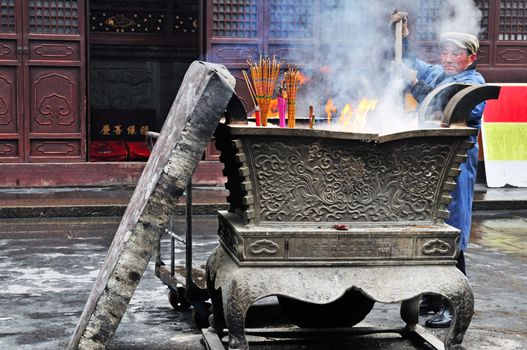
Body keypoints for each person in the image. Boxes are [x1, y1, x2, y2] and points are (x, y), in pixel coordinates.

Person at [390, 11, 485, 328]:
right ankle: (433, 295)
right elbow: (416, 64)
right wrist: (403, 37)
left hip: (456, 167)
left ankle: (453, 301)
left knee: (453, 230)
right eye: (444, 52)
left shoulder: (473, 84)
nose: (447, 58)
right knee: (432, 228)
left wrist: (415, 86)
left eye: (455, 54)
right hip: (432, 166)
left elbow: (444, 106)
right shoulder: (444, 75)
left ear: (470, 57)